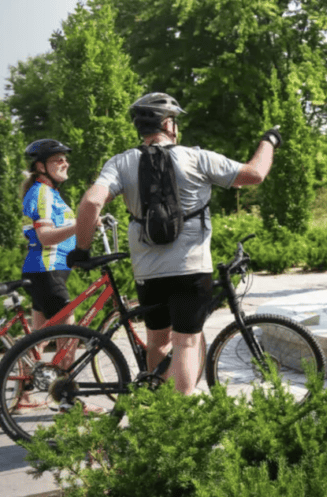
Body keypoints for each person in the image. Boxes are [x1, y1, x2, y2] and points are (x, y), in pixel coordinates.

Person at [69, 92, 280, 394]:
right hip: (191, 268)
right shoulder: (197, 157)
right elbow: (255, 174)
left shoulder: (121, 163)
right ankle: (181, 420)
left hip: (148, 271)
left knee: (158, 341)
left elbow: (91, 202)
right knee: (186, 343)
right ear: (168, 124)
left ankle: (158, 406)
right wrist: (268, 141)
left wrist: (82, 249)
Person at [21, 139, 79, 333]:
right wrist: (81, 225)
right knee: (69, 333)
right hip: (47, 270)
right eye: (58, 160)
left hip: (48, 270)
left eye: (65, 159)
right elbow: (45, 237)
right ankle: (64, 365)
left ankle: (26, 363)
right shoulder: (42, 193)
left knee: (38, 340)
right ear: (40, 166)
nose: (65, 163)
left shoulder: (51, 193)